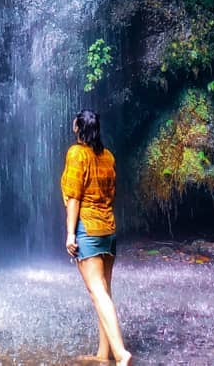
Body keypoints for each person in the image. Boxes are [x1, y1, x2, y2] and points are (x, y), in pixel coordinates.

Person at [61, 109, 131, 365]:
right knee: (105, 292)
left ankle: (121, 354)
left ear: (78, 128)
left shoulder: (76, 154)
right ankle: (104, 354)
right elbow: (111, 193)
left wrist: (70, 234)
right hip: (108, 230)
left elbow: (74, 197)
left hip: (87, 229)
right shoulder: (108, 156)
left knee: (97, 293)